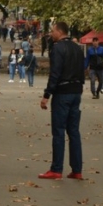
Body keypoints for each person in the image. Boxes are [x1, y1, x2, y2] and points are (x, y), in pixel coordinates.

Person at [39, 21, 84, 180]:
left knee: (58, 131)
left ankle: (56, 169)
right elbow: (81, 70)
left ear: (59, 31)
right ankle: (77, 169)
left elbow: (55, 72)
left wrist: (47, 94)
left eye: (52, 31)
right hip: (76, 92)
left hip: (62, 93)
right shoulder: (77, 48)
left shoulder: (58, 48)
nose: (51, 34)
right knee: (74, 132)